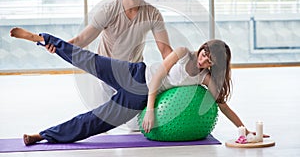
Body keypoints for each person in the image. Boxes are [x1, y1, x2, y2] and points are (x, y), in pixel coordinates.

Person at [10, 27, 266, 146]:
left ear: (213, 65)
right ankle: (42, 39)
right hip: (136, 73)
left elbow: (222, 105)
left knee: (92, 122)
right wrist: (152, 109)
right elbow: (157, 78)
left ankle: (42, 135)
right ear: (202, 48)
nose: (203, 58)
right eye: (205, 51)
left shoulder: (204, 78)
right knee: (90, 60)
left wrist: (246, 129)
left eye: (209, 58)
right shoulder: (183, 52)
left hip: (136, 98)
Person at [46, 0, 173, 130]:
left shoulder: (152, 13)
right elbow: (83, 38)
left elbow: (165, 50)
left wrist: (179, 70)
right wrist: (58, 47)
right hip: (107, 74)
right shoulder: (109, 9)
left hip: (132, 76)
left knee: (135, 127)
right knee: (102, 126)